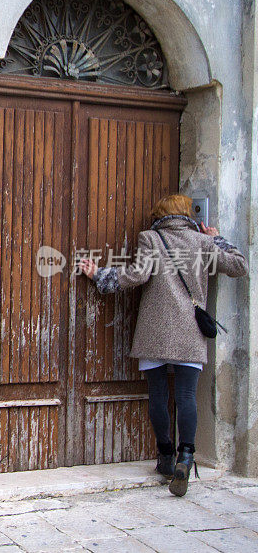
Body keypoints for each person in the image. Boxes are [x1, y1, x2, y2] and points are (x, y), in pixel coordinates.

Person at [77, 194, 248, 497]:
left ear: (159, 214)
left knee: (158, 396)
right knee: (185, 396)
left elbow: (136, 275)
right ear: (187, 215)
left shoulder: (150, 238)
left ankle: (165, 457)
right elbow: (238, 266)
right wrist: (217, 239)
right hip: (190, 331)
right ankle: (187, 455)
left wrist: (99, 275)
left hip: (154, 329)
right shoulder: (202, 243)